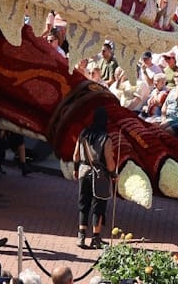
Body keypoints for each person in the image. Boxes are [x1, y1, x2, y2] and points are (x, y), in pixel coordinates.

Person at [73, 107, 117, 250]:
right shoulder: (106, 138)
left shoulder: (83, 134)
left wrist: (75, 169)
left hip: (83, 171)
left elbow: (75, 156)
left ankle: (81, 236)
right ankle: (96, 238)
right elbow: (109, 163)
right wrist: (113, 174)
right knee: (98, 206)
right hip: (99, 175)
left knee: (83, 204)